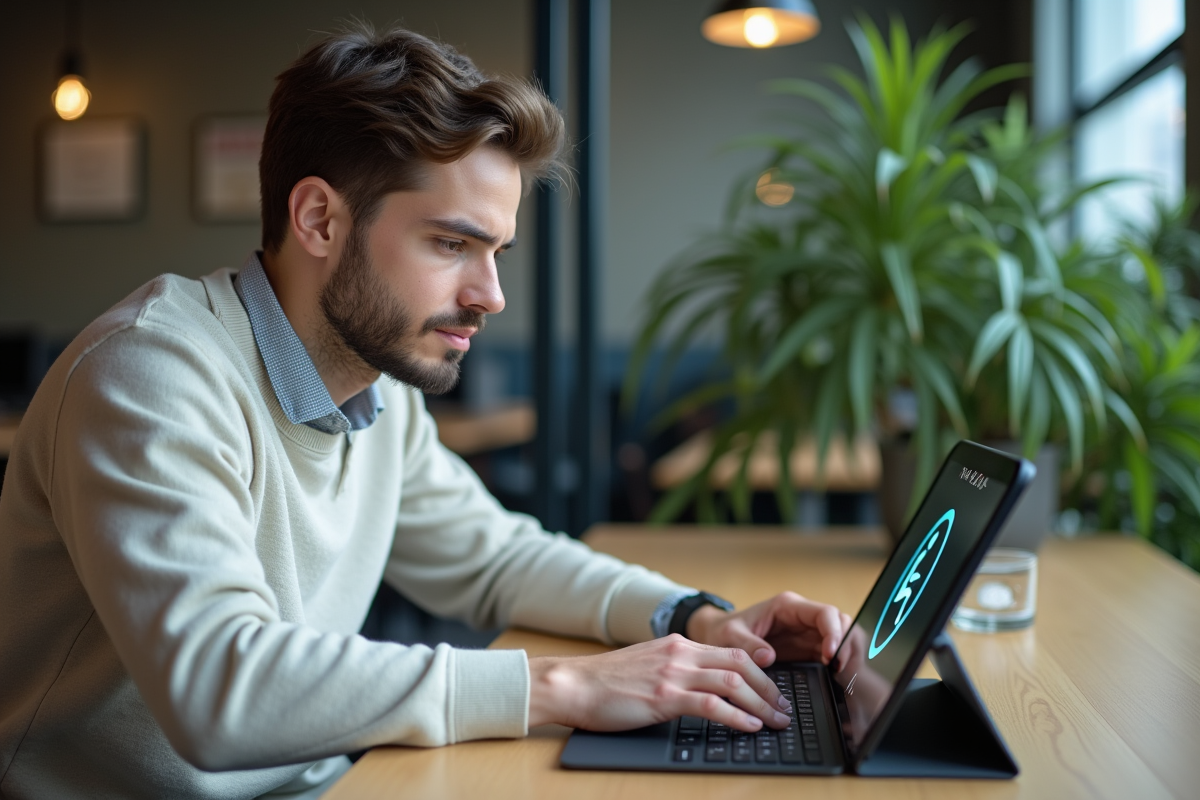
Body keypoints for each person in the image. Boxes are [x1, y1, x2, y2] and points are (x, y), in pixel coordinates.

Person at [0, 23, 851, 800]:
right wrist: (566, 685)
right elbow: (220, 690)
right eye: (451, 244)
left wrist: (693, 616)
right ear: (319, 219)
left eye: (496, 251)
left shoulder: (373, 390)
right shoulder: (149, 374)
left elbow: (495, 560)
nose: (491, 295)